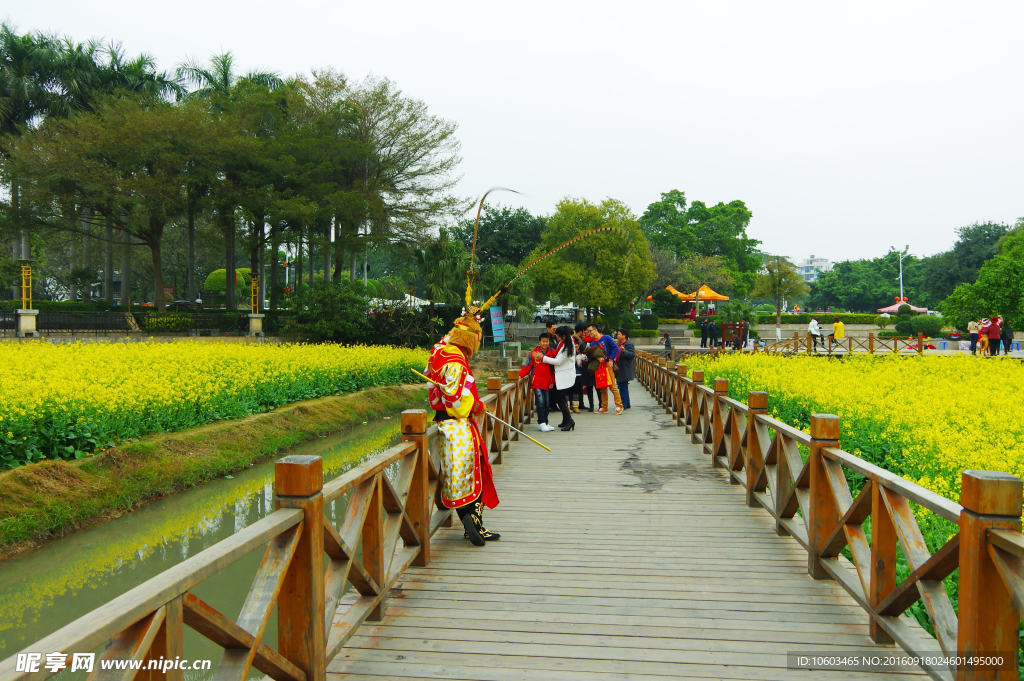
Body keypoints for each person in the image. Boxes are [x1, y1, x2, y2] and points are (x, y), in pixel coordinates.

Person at [425, 311, 500, 546]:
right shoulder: (456, 362)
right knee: (474, 471)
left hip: (442, 423)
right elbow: (455, 400)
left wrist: (468, 319)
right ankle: (472, 521)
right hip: (457, 423)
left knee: (457, 475)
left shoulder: (441, 352)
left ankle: (470, 521)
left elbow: (444, 339)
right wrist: (476, 405)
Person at [539, 325, 578, 431]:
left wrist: (542, 358)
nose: (556, 337)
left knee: (560, 399)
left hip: (565, 375)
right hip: (561, 374)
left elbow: (558, 361)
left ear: (563, 336)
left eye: (558, 336)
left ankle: (569, 420)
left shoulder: (568, 347)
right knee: (560, 398)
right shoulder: (564, 343)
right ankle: (566, 419)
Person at [519, 332, 554, 432]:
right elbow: (527, 366)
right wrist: (520, 375)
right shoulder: (534, 353)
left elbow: (552, 369)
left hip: (547, 382)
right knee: (540, 402)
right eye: (543, 341)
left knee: (547, 403)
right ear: (539, 342)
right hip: (537, 382)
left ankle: (545, 422)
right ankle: (541, 423)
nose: (545, 343)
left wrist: (553, 381)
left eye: (547, 341)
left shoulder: (551, 353)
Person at [586, 323, 624, 414]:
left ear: (595, 330)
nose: (589, 333)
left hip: (608, 365)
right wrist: (597, 358)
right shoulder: (592, 343)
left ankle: (619, 405)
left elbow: (615, 348)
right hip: (600, 366)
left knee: (612, 386)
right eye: (588, 331)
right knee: (602, 387)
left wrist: (611, 359)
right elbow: (591, 356)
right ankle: (604, 407)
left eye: (590, 331)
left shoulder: (607, 338)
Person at [571, 323, 591, 412]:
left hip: (579, 366)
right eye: (585, 330)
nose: (586, 332)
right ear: (581, 331)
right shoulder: (575, 339)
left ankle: (580, 403)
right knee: (576, 386)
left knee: (580, 385)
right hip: (576, 366)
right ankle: (574, 404)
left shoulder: (579, 339)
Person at [615, 329, 635, 409]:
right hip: (619, 367)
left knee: (623, 385)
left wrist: (624, 351)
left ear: (624, 335)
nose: (618, 336)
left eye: (619, 334)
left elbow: (631, 355)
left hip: (625, 368)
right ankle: (626, 403)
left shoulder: (629, 343)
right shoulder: (618, 343)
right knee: (622, 385)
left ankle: (624, 403)